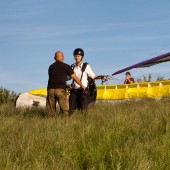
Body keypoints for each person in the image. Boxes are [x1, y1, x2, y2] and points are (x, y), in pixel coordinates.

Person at [68, 48, 108, 114]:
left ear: (82, 57)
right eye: (75, 56)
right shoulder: (72, 66)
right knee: (70, 110)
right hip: (74, 91)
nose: (77, 57)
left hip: (83, 91)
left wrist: (102, 77)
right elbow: (69, 77)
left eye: (78, 56)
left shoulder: (86, 66)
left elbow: (93, 76)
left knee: (83, 110)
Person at [46, 51, 85, 117]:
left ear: (54, 58)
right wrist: (82, 85)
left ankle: (51, 124)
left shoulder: (50, 67)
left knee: (51, 112)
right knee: (65, 111)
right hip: (60, 90)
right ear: (63, 58)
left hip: (50, 90)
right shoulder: (66, 66)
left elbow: (56, 79)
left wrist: (66, 85)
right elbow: (74, 77)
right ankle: (65, 124)